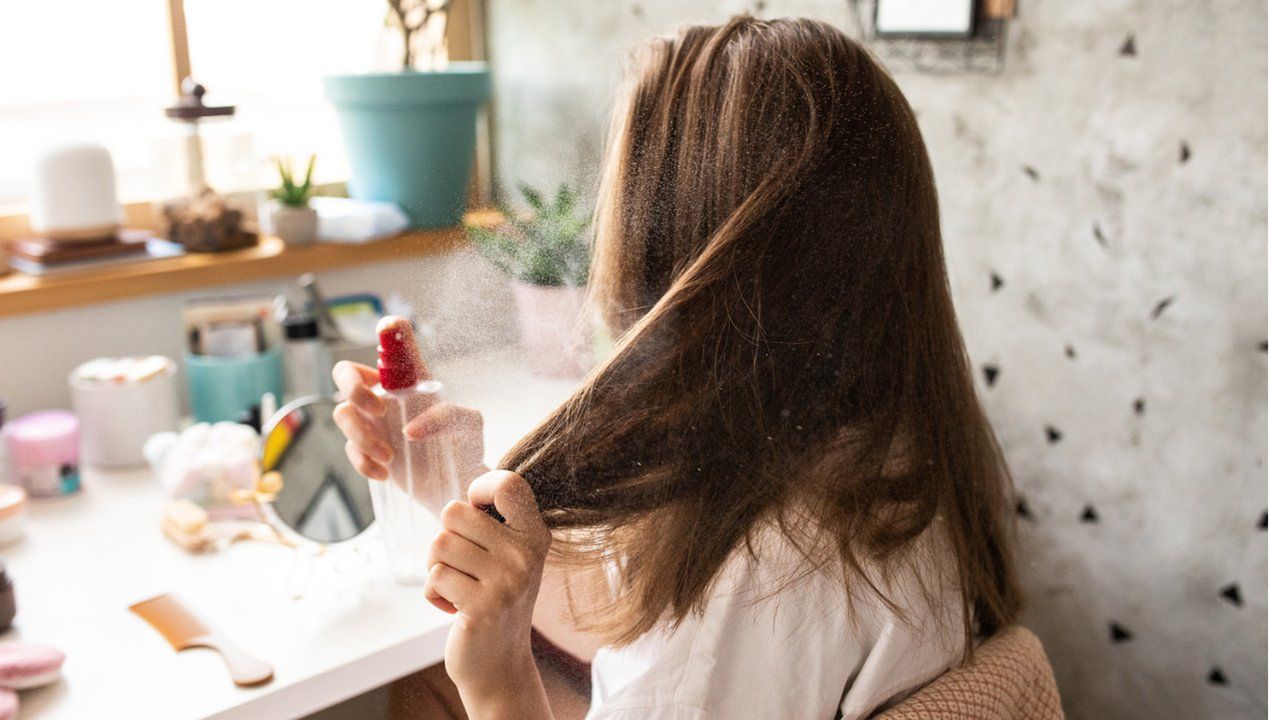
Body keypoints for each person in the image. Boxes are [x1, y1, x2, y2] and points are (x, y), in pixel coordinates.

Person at [333, 15, 1023, 720]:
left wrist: (498, 680)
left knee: (434, 692)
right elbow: (653, 612)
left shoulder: (757, 575)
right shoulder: (877, 452)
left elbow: (693, 641)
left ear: (676, 248)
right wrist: (458, 487)